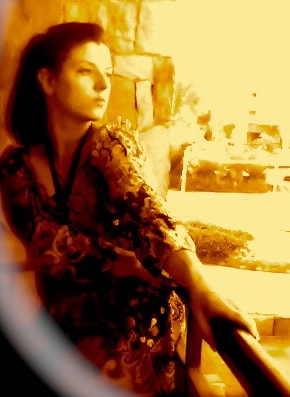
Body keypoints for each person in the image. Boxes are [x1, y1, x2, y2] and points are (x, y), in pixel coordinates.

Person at [0, 22, 259, 396]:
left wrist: (200, 284)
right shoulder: (17, 167)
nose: (103, 86)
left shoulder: (112, 148)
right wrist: (122, 261)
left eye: (107, 74)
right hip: (64, 331)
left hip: (136, 331)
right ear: (48, 81)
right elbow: (46, 245)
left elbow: (147, 211)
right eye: (86, 71)